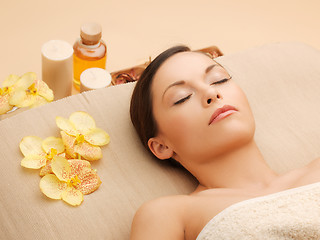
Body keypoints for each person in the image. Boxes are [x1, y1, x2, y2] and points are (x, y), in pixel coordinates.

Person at [129, 46, 320, 239]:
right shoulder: (171, 214)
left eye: (219, 80)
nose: (211, 93)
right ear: (162, 146)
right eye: (182, 98)